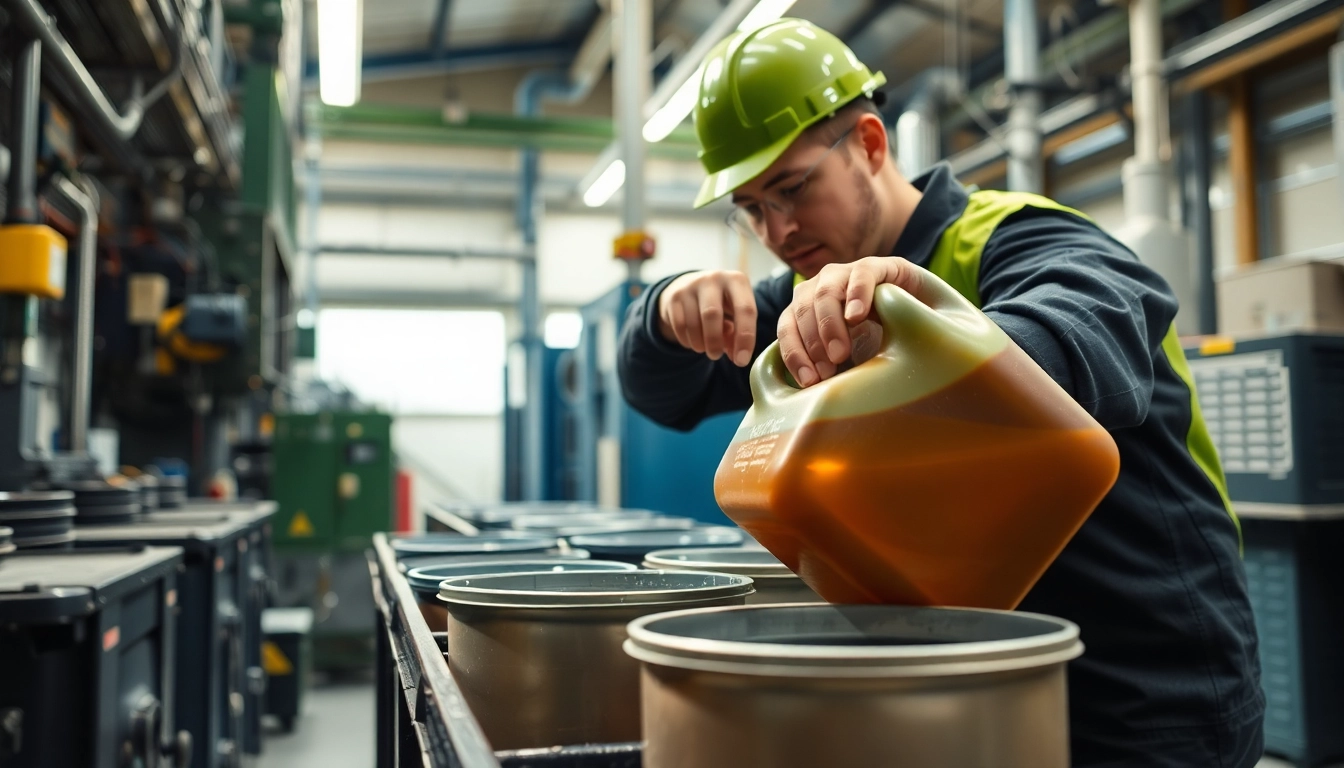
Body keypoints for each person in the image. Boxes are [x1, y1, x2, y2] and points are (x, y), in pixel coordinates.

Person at [617, 18, 1263, 767]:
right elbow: (665, 392)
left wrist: (918, 335)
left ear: (868, 144)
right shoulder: (806, 299)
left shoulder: (1019, 238)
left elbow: (1092, 333)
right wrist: (664, 311)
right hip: (972, 683)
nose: (779, 229)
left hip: (1142, 698)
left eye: (792, 188)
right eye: (753, 207)